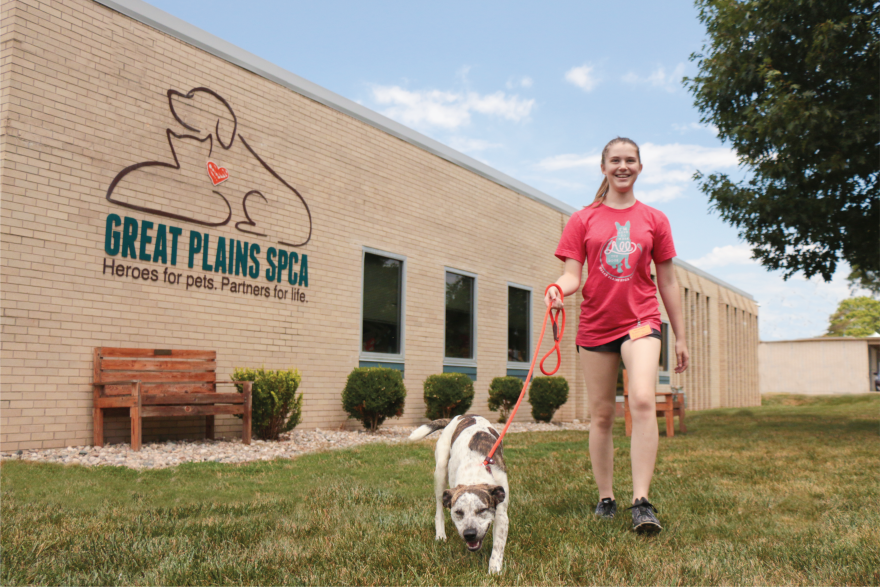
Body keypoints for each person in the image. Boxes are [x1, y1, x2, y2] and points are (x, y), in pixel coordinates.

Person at [545, 137, 689, 534]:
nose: (623, 166)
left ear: (640, 167)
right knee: (603, 414)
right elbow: (572, 275)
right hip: (596, 324)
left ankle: (641, 502)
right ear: (603, 167)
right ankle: (605, 498)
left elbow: (668, 281)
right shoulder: (583, 219)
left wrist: (679, 336)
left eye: (630, 160)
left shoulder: (654, 219)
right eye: (615, 160)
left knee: (641, 399)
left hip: (641, 321)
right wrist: (557, 289)